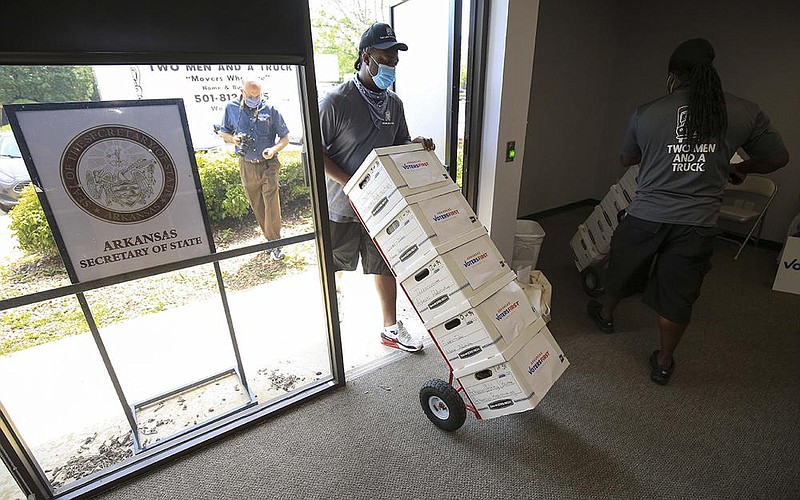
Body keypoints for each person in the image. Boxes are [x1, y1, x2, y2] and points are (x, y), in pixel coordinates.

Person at [587, 38, 789, 385]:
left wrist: (659, 152)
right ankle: (664, 361)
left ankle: (605, 314)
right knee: (679, 293)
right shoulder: (744, 111)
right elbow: (778, 157)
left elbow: (627, 159)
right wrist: (742, 168)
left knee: (623, 266)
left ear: (672, 76)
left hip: (647, 214)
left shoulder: (648, 112)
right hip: (697, 223)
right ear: (711, 72)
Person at [319, 22, 435, 352]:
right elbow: (314, 153)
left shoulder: (394, 104)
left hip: (381, 207)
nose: (391, 66)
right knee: (334, 265)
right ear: (366, 57)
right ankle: (330, 318)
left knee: (385, 265)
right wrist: (351, 183)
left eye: (395, 61)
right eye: (386, 58)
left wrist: (415, 146)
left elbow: (398, 145)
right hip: (341, 207)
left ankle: (391, 329)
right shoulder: (336, 101)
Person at [218, 76, 290, 260]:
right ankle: (269, 239)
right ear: (242, 91)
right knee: (257, 204)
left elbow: (285, 138)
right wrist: (233, 139)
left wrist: (273, 149)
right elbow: (222, 131)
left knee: (271, 203)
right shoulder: (231, 108)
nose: (254, 99)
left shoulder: (270, 109)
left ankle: (276, 244)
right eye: (251, 96)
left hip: (268, 165)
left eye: (257, 96)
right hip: (246, 164)